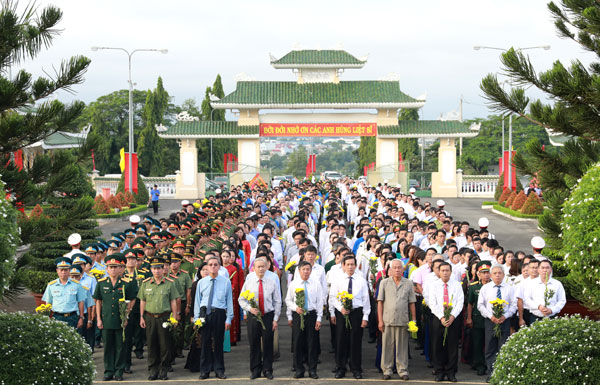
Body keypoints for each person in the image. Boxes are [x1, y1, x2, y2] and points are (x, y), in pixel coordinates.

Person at [93, 253, 136, 381]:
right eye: (110, 267)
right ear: (106, 269)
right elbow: (98, 302)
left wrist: (127, 314)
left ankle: (119, 371)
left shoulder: (126, 283)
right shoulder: (101, 283)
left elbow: (132, 299)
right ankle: (108, 371)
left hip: (120, 320)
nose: (112, 269)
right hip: (106, 320)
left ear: (120, 268)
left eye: (115, 267)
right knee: (108, 347)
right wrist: (99, 319)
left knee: (120, 346)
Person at [238, 257, 281, 380]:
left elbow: (277, 301)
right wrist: (249, 309)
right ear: (254, 268)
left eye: (263, 266)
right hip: (253, 316)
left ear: (267, 267)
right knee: (254, 343)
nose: (261, 269)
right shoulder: (249, 282)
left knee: (268, 343)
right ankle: (255, 369)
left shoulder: (272, 281)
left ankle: (267, 369)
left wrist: (275, 318)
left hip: (268, 315)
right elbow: (241, 299)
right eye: (258, 267)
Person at [329, 255, 371, 379]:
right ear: (343, 266)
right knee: (341, 340)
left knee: (355, 341)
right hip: (342, 313)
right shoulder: (338, 279)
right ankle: (341, 367)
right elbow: (333, 297)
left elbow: (365, 299)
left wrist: (365, 316)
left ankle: (356, 368)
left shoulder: (361, 280)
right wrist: (339, 309)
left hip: (356, 313)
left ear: (356, 265)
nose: (350, 267)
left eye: (352, 264)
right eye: (348, 264)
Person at [137, 256, 179, 381]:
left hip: (164, 317)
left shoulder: (169, 284)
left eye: (159, 268)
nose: (156, 271)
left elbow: (173, 301)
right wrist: (141, 317)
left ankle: (163, 369)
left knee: (164, 345)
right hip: (149, 317)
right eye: (154, 269)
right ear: (151, 269)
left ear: (163, 269)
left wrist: (175, 317)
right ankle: (153, 370)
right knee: (151, 344)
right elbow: (142, 301)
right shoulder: (145, 284)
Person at [193, 256, 234, 380]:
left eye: (215, 264)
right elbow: (197, 302)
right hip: (205, 313)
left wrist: (228, 319)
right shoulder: (201, 282)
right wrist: (196, 319)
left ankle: (219, 369)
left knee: (218, 343)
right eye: (210, 265)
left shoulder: (226, 281)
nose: (212, 267)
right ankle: (204, 370)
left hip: (219, 313)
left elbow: (229, 301)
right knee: (205, 343)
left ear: (219, 266)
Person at [377, 259, 417, 381]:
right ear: (390, 269)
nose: (397, 269)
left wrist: (413, 320)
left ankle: (402, 370)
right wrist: (380, 320)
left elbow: (412, 303)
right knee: (387, 346)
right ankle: (387, 370)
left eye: (399, 267)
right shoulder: (384, 283)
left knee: (402, 346)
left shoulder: (409, 283)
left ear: (403, 269)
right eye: (394, 267)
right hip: (387, 319)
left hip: (403, 319)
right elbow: (380, 302)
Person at [477, 264, 517, 382]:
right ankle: (491, 373)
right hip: (490, 321)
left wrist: (505, 315)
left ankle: (502, 373)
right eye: (495, 273)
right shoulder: (486, 288)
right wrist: (491, 316)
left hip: (505, 321)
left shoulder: (510, 288)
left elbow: (514, 305)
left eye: (500, 273)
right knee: (490, 348)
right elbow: (480, 305)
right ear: (491, 275)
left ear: (504, 275)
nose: (497, 275)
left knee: (503, 347)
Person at [285, 260, 323, 379]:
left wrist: (319, 318)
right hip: (298, 315)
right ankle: (299, 369)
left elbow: (320, 302)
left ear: (311, 271)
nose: (306, 272)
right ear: (299, 271)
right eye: (303, 270)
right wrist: (294, 309)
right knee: (298, 343)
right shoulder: (294, 284)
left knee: (312, 344)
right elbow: (288, 300)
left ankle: (312, 369)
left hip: (311, 315)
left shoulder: (316, 283)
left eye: (308, 269)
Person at [430, 262, 464, 382]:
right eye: (442, 270)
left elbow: (460, 302)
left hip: (453, 319)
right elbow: (432, 303)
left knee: (452, 346)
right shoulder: (434, 285)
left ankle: (451, 372)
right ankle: (439, 371)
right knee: (437, 345)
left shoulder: (457, 285)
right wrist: (441, 317)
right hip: (438, 318)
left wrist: (452, 316)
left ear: (451, 272)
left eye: (447, 270)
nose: (445, 273)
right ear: (439, 272)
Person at [42, 257, 87, 328]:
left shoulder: (77, 284)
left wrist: (81, 318)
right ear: (57, 270)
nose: (63, 272)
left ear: (69, 270)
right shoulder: (51, 285)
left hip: (72, 317)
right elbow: (48, 303)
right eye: (61, 269)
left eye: (66, 269)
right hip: (57, 317)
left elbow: (81, 302)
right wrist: (47, 317)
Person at [466, 261, 491, 376]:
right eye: (483, 272)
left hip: (491, 319)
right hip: (478, 318)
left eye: (487, 272)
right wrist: (469, 318)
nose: (486, 275)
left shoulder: (493, 286)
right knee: (478, 342)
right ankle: (479, 364)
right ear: (478, 274)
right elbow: (470, 304)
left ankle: (489, 364)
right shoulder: (474, 286)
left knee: (490, 343)